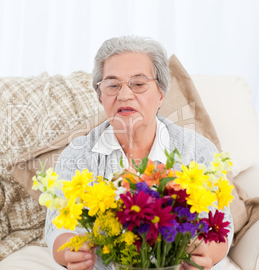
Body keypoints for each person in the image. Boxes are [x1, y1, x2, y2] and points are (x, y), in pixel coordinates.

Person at [45, 36, 233, 270]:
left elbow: (221, 224)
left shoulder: (198, 150)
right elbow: (57, 227)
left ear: (161, 94)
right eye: (112, 85)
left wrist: (206, 252)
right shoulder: (78, 154)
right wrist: (68, 250)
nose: (124, 95)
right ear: (101, 96)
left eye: (139, 84)